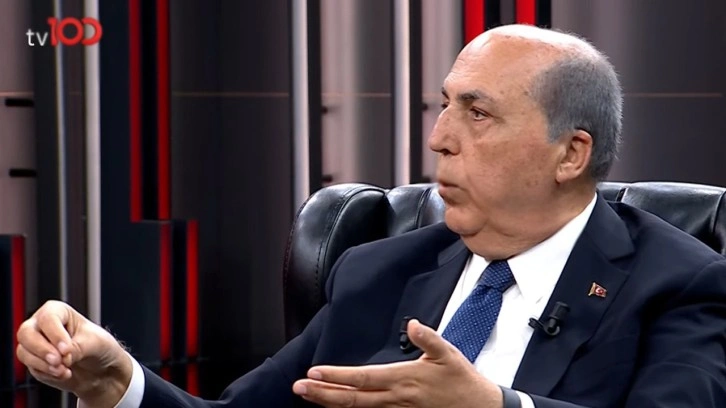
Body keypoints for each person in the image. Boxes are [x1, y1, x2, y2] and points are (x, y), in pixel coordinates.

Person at [16, 23, 726, 408]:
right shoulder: (379, 269)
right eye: (445, 105)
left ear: (570, 153)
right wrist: (117, 382)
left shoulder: (680, 282)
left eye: (477, 113)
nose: (439, 137)